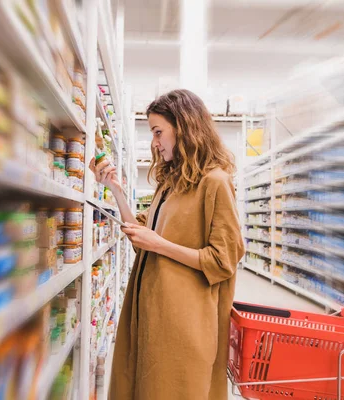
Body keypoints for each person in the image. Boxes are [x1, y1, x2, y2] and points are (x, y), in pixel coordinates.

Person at [89, 89, 244, 400]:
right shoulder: (171, 182)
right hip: (152, 311)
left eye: (159, 132)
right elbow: (141, 237)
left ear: (184, 127)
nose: (155, 143)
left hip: (183, 322)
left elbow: (223, 259)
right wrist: (116, 192)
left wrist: (159, 244)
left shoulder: (215, 182)